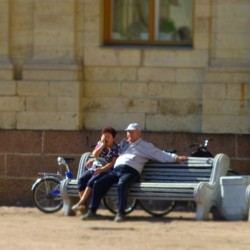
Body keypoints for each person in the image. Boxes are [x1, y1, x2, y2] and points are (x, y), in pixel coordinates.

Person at [81, 123, 188, 222]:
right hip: (116, 171)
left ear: (138, 133)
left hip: (131, 172)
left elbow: (160, 154)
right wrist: (94, 159)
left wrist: (176, 158)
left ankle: (120, 213)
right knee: (98, 183)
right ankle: (92, 211)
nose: (129, 134)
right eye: (128, 132)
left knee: (122, 184)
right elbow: (109, 155)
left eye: (132, 132)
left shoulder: (145, 146)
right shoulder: (124, 145)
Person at [71, 127, 119, 214]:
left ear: (113, 138)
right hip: (94, 168)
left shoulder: (116, 148)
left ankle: (80, 203)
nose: (106, 139)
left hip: (105, 171)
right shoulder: (100, 144)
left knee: (91, 182)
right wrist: (102, 145)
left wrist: (101, 169)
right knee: (82, 179)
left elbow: (112, 163)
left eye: (108, 137)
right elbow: (94, 154)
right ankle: (84, 207)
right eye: (104, 136)